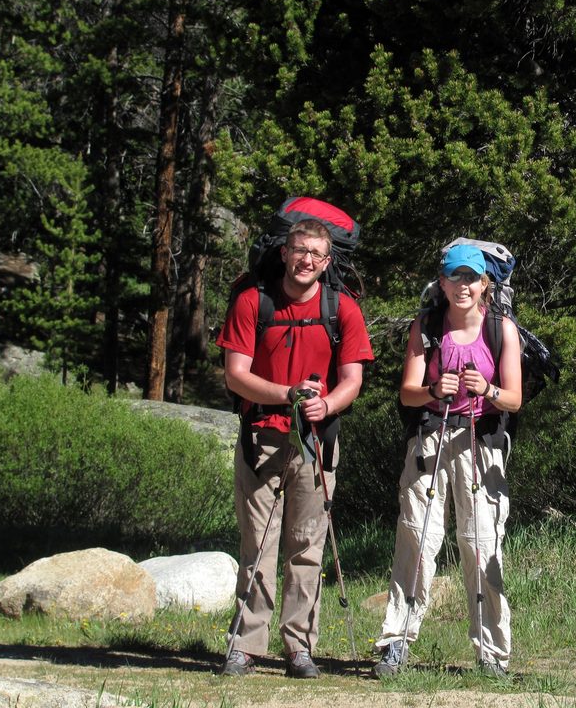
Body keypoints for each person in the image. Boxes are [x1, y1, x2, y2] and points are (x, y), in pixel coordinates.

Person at [216, 216, 374, 678]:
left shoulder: (341, 307)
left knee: (307, 544)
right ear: (284, 253)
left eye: (316, 255)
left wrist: (326, 405)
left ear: (328, 262)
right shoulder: (252, 301)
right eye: (300, 251)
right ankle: (245, 646)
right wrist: (287, 394)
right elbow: (235, 374)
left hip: (316, 442)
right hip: (261, 435)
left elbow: (353, 380)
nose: (307, 261)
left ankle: (299, 647)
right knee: (257, 545)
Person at [372, 243, 522, 678]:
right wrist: (436, 390)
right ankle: (396, 642)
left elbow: (513, 398)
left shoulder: (501, 329)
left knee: (481, 544)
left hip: (481, 442)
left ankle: (492, 653)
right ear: (442, 282)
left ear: (485, 284)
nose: (463, 285)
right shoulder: (427, 327)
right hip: (431, 437)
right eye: (455, 277)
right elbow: (408, 392)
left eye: (471, 278)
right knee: (417, 539)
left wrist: (487, 391)